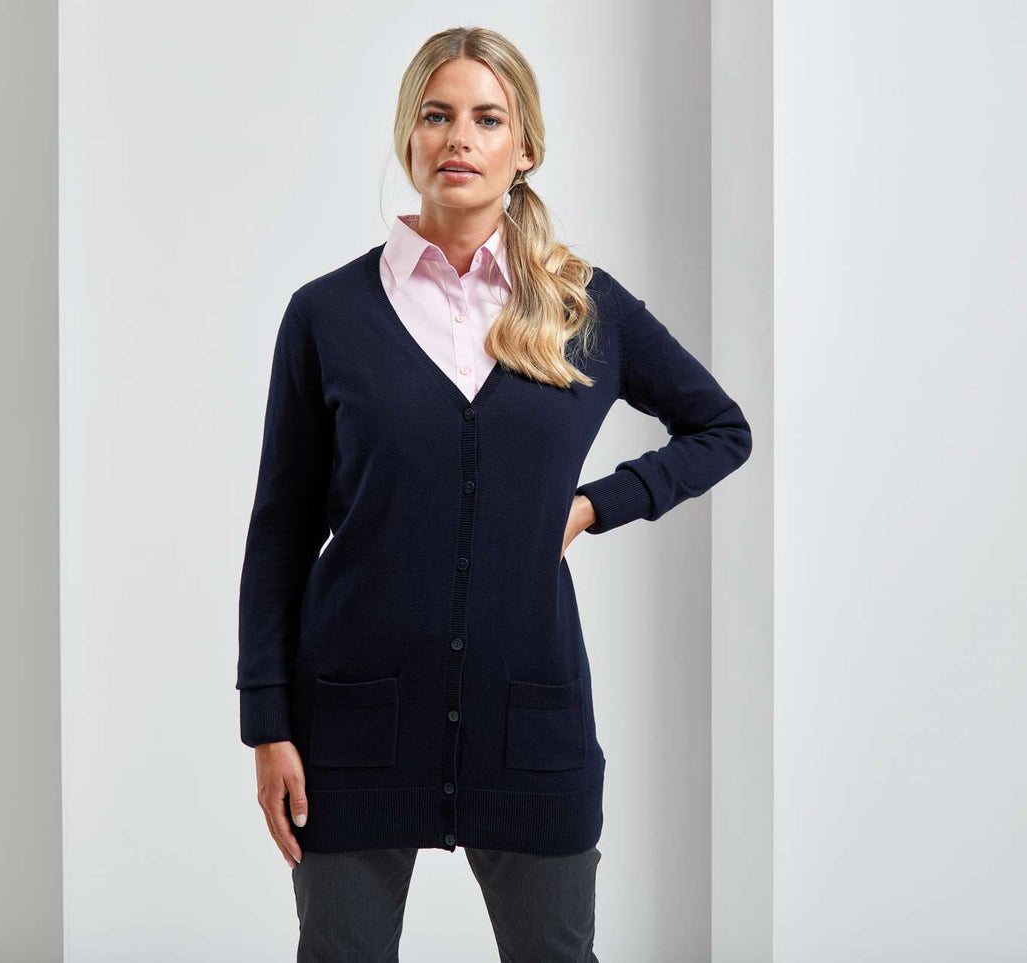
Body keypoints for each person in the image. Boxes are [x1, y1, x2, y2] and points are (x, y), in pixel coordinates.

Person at [236, 25, 753, 961]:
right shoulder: (327, 314)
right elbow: (280, 531)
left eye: (487, 118)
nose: (459, 139)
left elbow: (721, 428)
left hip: (531, 723)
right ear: (408, 137)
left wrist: (593, 505)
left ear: (525, 147)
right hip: (352, 723)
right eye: (436, 116)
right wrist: (266, 724)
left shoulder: (584, 309)